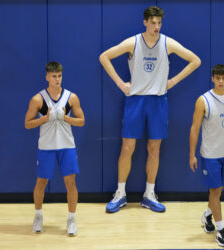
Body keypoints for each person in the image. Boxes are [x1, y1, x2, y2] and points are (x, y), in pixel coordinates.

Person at [99, 6, 201, 213]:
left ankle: (149, 194)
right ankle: (120, 194)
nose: (156, 26)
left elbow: (195, 60)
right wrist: (120, 83)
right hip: (135, 100)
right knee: (127, 147)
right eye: (152, 22)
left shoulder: (167, 43)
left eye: (159, 23)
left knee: (154, 148)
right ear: (144, 22)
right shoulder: (133, 42)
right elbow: (104, 57)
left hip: (158, 101)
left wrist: (172, 81)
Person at [189, 64, 224, 247]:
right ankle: (221, 230)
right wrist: (192, 154)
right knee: (215, 191)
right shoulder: (203, 100)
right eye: (218, 78)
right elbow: (195, 129)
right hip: (210, 154)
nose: (221, 81)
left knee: (219, 189)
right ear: (212, 79)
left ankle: (207, 215)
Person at [24, 61, 85, 236]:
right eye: (53, 76)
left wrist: (66, 118)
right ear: (47, 77)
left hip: (67, 146)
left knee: (70, 183)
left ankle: (72, 219)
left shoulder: (71, 97)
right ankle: (38, 216)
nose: (57, 79)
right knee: (41, 183)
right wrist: (45, 119)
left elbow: (82, 121)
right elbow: (27, 124)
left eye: (59, 76)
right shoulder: (37, 99)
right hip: (47, 147)